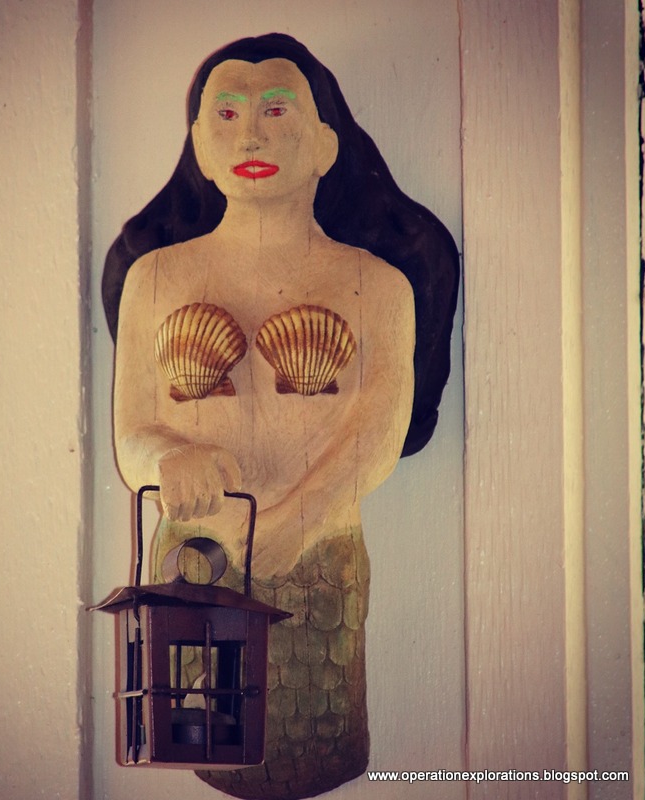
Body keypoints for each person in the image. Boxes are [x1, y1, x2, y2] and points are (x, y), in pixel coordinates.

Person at [104, 33, 458, 800]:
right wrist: (166, 458)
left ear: (327, 145)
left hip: (319, 558)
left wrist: (301, 516)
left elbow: (378, 427)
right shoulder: (152, 278)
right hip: (194, 558)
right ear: (199, 147)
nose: (251, 137)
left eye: (275, 111)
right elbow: (131, 430)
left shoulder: (377, 285)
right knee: (204, 729)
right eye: (226, 115)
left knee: (310, 730)